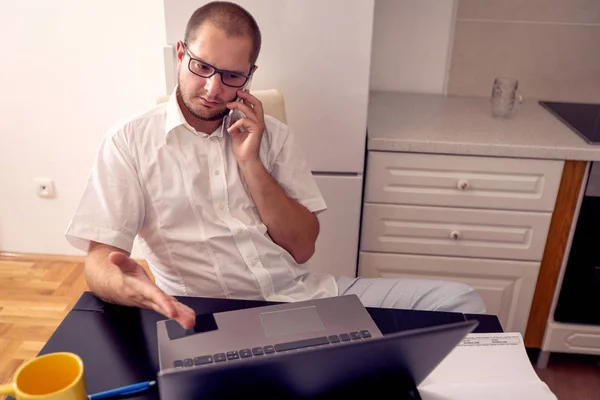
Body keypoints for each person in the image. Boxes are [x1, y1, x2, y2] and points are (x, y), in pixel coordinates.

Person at [66, 1, 485, 330]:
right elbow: (100, 261)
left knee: (462, 302)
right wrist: (130, 286)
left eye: (232, 75)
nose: (213, 89)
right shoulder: (129, 142)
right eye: (202, 67)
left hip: (304, 297)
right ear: (180, 54)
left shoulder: (275, 136)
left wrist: (251, 162)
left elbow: (302, 247)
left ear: (250, 74)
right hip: (211, 318)